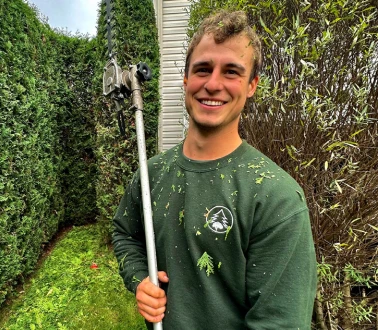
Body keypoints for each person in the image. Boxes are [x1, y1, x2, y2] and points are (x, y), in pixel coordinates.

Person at [112, 10, 317, 329]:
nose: (212, 84)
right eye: (202, 69)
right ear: (185, 79)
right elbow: (125, 232)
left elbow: (280, 322)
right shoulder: (151, 174)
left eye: (232, 72)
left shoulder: (277, 199)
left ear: (252, 85)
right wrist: (140, 278)